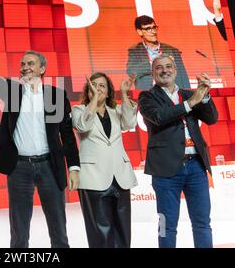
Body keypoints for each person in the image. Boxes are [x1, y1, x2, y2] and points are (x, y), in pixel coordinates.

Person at [0, 16, 80, 248]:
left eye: (30, 63)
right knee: (19, 232)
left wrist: (73, 167)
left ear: (42, 69)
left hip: (49, 166)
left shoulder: (56, 95)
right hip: (19, 167)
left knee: (59, 230)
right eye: (23, 64)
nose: (25, 67)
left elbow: (67, 135)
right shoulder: (12, 91)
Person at [138, 54, 218, 248]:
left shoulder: (190, 94)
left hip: (196, 168)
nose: (164, 70)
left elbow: (212, 118)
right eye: (159, 67)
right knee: (166, 225)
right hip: (166, 171)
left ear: (175, 70)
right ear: (153, 73)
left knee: (202, 223)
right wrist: (191, 103)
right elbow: (159, 116)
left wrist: (205, 95)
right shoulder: (147, 97)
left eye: (168, 66)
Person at [72, 72, 138, 248]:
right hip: (93, 178)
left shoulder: (116, 112)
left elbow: (130, 123)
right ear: (88, 90)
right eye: (94, 85)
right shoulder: (78, 110)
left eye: (102, 85)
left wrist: (124, 94)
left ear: (109, 92)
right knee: (100, 234)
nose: (98, 88)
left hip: (120, 178)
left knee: (123, 231)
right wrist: (93, 100)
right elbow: (82, 125)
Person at [127, 15, 190, 90]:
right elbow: (131, 71)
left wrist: (187, 95)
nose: (153, 32)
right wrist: (153, 62)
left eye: (154, 27)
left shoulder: (172, 51)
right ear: (140, 32)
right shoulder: (135, 51)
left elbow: (183, 76)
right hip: (148, 94)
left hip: (171, 92)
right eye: (148, 29)